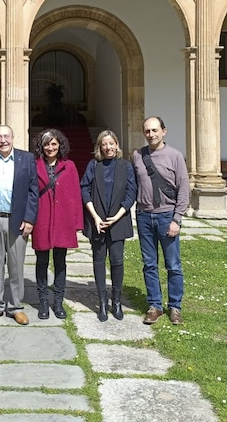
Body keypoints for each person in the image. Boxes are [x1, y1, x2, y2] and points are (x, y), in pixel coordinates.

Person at [132, 116, 190, 326]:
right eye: (147, 131)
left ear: (164, 131)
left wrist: (177, 219)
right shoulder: (138, 156)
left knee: (173, 265)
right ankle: (155, 306)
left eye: (155, 130)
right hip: (144, 216)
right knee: (149, 264)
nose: (151, 134)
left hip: (167, 216)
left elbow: (184, 189)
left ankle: (175, 307)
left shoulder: (175, 156)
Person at [0, 125, 38, 325]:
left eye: (6, 136)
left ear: (13, 137)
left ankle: (15, 306)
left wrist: (30, 219)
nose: (3, 140)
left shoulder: (26, 159)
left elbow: (33, 191)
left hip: (18, 220)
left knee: (16, 265)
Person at [81, 130, 137, 322]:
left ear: (116, 144)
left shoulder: (125, 166)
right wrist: (95, 217)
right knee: (98, 260)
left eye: (111, 143)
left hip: (118, 220)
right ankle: (103, 302)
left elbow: (131, 193)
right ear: (99, 147)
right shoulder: (93, 165)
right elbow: (84, 190)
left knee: (117, 261)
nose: (108, 147)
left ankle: (117, 301)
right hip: (97, 221)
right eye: (104, 144)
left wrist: (117, 216)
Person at [32, 129, 84, 320]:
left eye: (54, 144)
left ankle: (58, 302)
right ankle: (43, 302)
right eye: (47, 144)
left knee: (60, 263)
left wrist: (77, 222)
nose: (50, 148)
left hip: (63, 221)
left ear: (60, 145)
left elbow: (76, 194)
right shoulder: (35, 165)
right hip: (42, 220)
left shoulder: (69, 166)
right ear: (41, 146)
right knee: (42, 262)